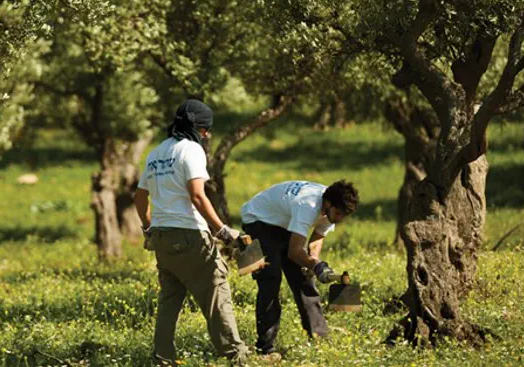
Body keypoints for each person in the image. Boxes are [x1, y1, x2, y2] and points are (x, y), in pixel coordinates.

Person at [134, 99, 249, 366]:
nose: (206, 135)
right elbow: (197, 195)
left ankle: (163, 358)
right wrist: (222, 230)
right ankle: (237, 356)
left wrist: (149, 229)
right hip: (189, 235)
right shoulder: (192, 150)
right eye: (206, 130)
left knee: (170, 299)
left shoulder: (156, 153)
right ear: (198, 128)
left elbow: (139, 197)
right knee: (216, 291)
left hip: (162, 237)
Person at [240, 179, 359, 356]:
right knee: (270, 280)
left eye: (344, 215)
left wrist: (313, 262)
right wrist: (315, 265)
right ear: (328, 204)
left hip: (284, 223)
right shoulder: (308, 206)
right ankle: (265, 348)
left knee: (304, 279)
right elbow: (294, 252)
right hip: (258, 221)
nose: (340, 219)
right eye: (339, 213)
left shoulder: (332, 205)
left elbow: (317, 237)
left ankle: (319, 339)